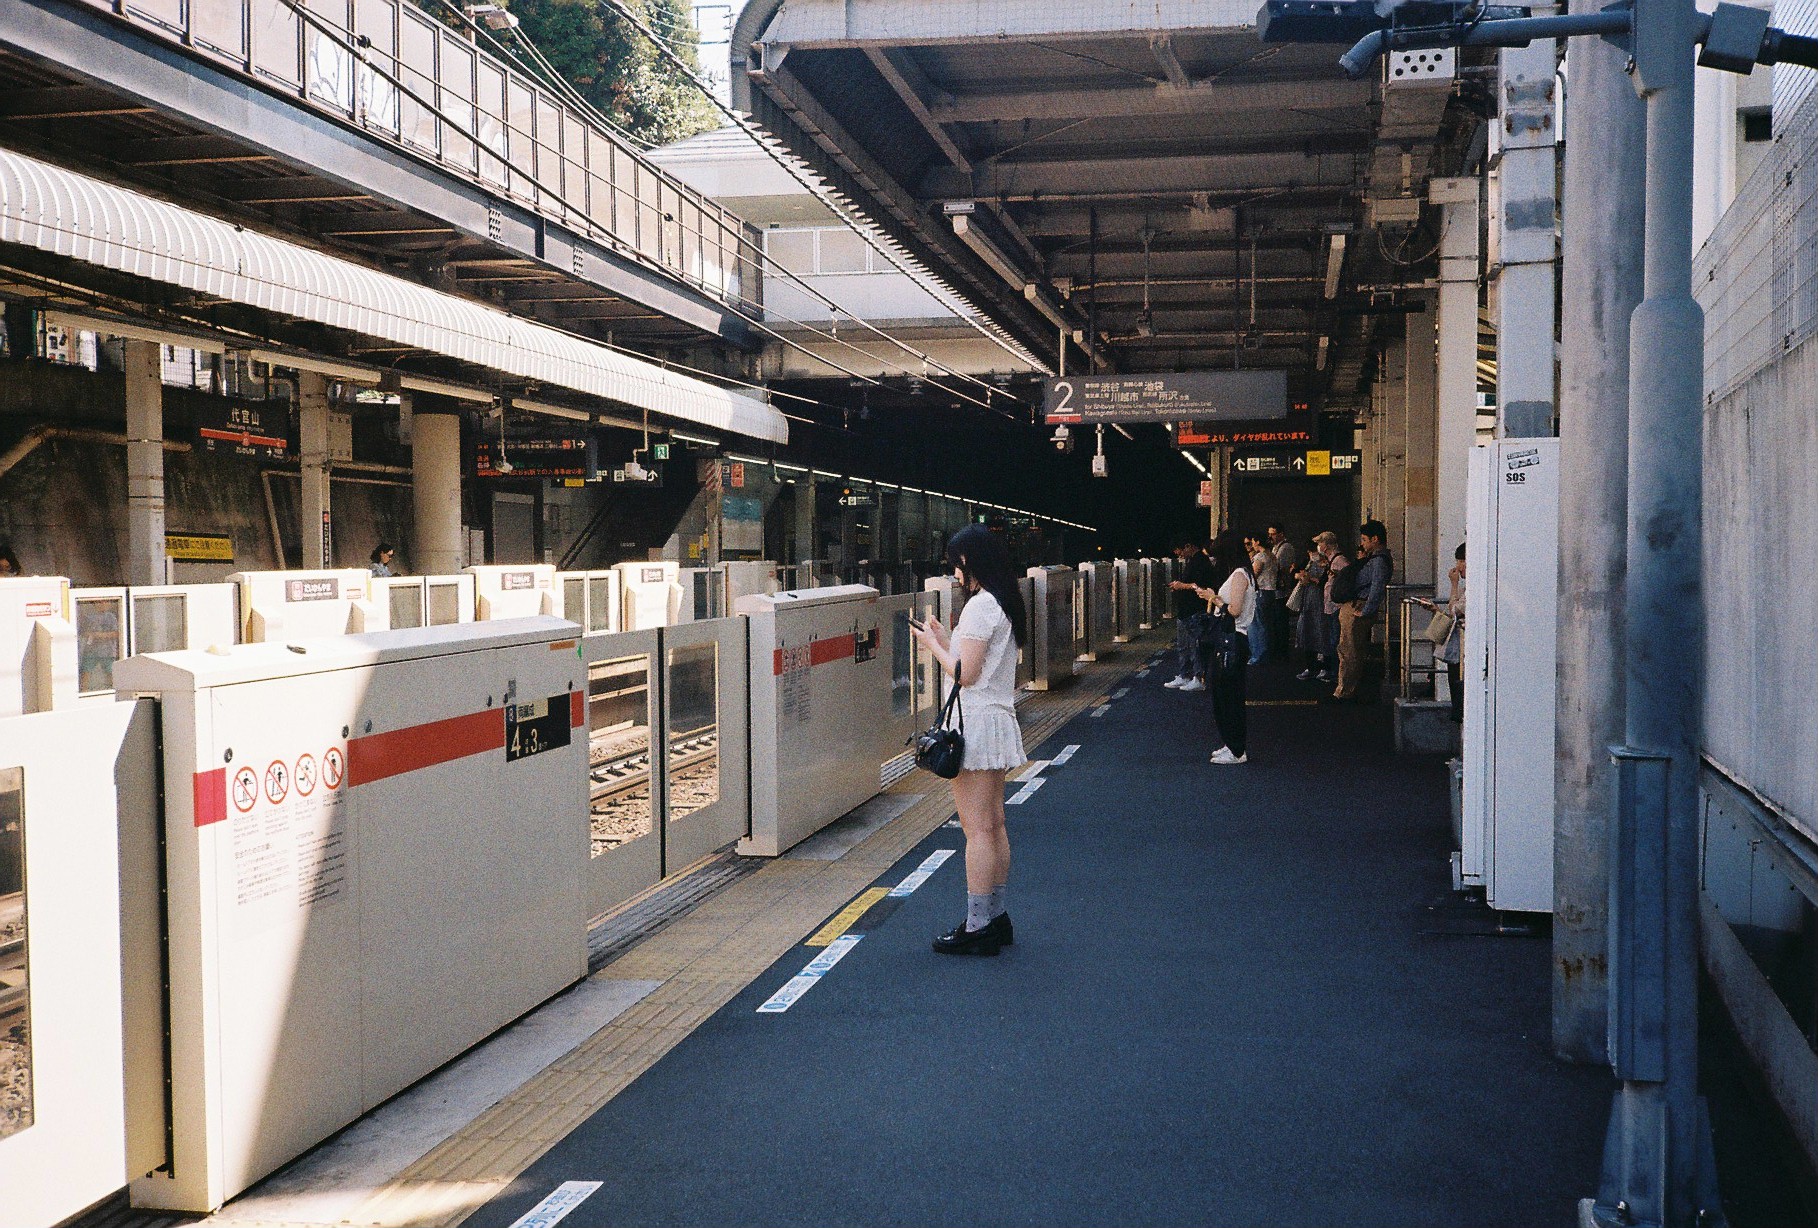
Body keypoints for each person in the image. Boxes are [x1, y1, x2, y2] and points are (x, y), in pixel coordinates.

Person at [908, 524, 1028, 957]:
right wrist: (944, 639)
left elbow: (965, 674)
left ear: (969, 562)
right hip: (994, 721)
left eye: (955, 563)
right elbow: (974, 662)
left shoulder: (981, 607)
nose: (954, 572)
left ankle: (978, 925)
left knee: (976, 830)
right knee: (993, 825)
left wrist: (930, 646)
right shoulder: (1003, 604)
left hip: (974, 725)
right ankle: (994, 916)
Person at [1194, 530, 1254, 765]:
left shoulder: (1239, 575)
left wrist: (1214, 597)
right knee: (1225, 694)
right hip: (1232, 639)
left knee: (1228, 696)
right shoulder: (1240, 573)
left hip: (1234, 639)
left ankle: (1237, 750)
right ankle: (1231, 744)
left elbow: (1235, 610)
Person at [1334, 520, 1393, 702]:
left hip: (1358, 605)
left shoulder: (1378, 561)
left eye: (1365, 539)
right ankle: (1345, 689)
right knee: (1349, 648)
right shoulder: (1377, 559)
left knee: (1349, 650)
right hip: (1357, 604)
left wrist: (1367, 610)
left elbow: (1376, 587)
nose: (1363, 544)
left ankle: (1344, 692)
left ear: (1375, 539)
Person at [1418, 543, 1467, 723]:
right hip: (1458, 650)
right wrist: (1434, 609)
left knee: (1459, 690)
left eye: (1462, 561)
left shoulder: (1470, 591)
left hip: (1462, 650)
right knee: (1456, 688)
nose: (1458, 566)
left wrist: (1453, 584)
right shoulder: (1466, 590)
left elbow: (1455, 609)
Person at [1164, 539, 1215, 691]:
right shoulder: (1192, 560)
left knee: (1195, 645)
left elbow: (1199, 586)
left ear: (1188, 546)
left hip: (1194, 610)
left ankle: (1198, 678)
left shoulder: (1201, 561)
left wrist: (1182, 585)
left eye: (1179, 550)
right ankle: (1184, 675)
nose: (1178, 554)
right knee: (1183, 646)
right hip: (1185, 611)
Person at [1292, 538, 1332, 681]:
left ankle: (1325, 667)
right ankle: (1311, 666)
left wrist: (1312, 579)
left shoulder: (1329, 563)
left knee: (1321, 632)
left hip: (1320, 602)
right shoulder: (1309, 562)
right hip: (1308, 601)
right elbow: (1295, 572)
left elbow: (1326, 582)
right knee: (1307, 631)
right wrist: (1300, 576)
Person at [1267, 524, 1301, 659]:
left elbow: (1278, 566)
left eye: (1273, 533)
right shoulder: (1275, 547)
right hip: (1276, 589)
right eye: (1269, 533)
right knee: (1276, 621)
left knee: (1280, 621)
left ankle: (1281, 650)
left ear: (1281, 534)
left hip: (1281, 590)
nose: (1270, 536)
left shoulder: (1286, 548)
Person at [1245, 533, 1277, 665]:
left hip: (1261, 592)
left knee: (1256, 624)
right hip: (1270, 592)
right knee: (1266, 623)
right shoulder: (1272, 555)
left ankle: (1257, 655)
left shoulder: (1260, 557)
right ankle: (1266, 653)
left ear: (1257, 541)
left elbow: (1254, 574)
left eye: (1252, 541)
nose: (1252, 544)